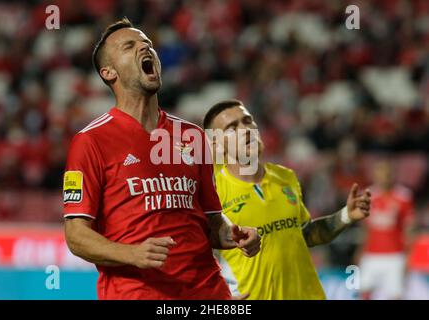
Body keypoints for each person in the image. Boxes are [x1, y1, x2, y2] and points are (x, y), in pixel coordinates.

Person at [63, 18, 260, 300]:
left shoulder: (192, 136)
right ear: (109, 72)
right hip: (138, 292)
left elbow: (212, 220)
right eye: (129, 46)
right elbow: (76, 235)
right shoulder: (91, 141)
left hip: (207, 291)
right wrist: (130, 253)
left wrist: (231, 235)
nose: (145, 47)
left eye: (148, 44)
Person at [203, 99, 371, 299]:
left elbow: (305, 234)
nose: (245, 130)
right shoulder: (212, 190)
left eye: (248, 121)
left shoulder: (286, 176)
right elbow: (197, 254)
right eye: (232, 128)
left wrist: (346, 215)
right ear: (216, 143)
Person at [358, 160, 415, 300]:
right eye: (380, 173)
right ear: (375, 175)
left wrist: (409, 255)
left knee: (395, 295)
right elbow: (364, 227)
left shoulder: (404, 196)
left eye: (387, 173)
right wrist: (360, 250)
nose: (384, 176)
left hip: (395, 255)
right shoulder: (367, 195)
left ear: (393, 174)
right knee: (364, 292)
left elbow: (409, 228)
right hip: (371, 254)